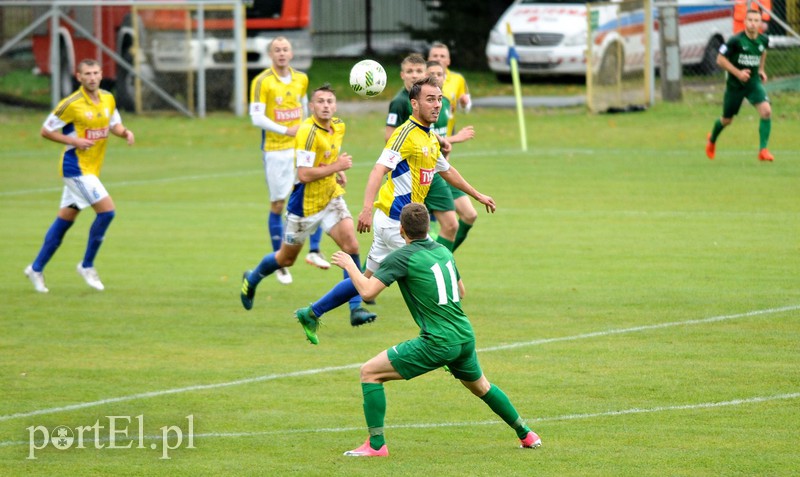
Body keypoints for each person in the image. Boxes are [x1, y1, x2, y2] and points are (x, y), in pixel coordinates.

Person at [294, 77, 495, 344]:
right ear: (414, 103)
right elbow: (379, 169)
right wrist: (366, 208)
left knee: (370, 279)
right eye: (430, 100)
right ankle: (443, 341)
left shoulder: (429, 137)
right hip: (397, 223)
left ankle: (312, 312)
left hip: (397, 221)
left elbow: (446, 171)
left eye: (439, 99)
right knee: (442, 278)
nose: (437, 105)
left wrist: (477, 194)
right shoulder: (404, 134)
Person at [330, 203, 542, 457]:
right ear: (427, 226)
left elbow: (367, 292)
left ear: (401, 229)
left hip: (438, 341)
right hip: (463, 336)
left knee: (369, 373)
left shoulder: (402, 256)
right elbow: (461, 292)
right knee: (482, 387)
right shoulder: (443, 251)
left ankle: (376, 446)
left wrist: (349, 265)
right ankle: (527, 434)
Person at [240, 84, 373, 322]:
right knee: (286, 258)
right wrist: (337, 167)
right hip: (305, 207)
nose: (325, 106)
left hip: (331, 197)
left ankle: (356, 309)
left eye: (330, 101)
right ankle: (252, 278)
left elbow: (326, 157)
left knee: (351, 245)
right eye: (320, 101)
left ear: (335, 105)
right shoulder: (306, 132)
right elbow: (303, 174)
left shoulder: (339, 126)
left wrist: (335, 171)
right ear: (311, 106)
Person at [24, 59, 135, 293]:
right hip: (75, 169)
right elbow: (46, 131)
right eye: (87, 74)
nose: (92, 77)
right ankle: (87, 265)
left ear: (102, 74)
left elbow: (113, 124)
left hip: (92, 169)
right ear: (79, 77)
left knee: (65, 221)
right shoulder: (71, 104)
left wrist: (125, 132)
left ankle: (35, 268)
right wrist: (73, 140)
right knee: (107, 212)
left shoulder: (108, 98)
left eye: (96, 73)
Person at [250, 36, 328, 286]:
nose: (282, 53)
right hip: (275, 150)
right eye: (277, 50)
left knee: (316, 192)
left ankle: (314, 250)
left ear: (291, 53)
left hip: (300, 149)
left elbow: (305, 109)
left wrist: (309, 132)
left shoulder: (301, 79)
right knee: (278, 204)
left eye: (285, 49)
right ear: (271, 55)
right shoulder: (262, 81)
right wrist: (286, 131)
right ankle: (280, 263)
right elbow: (256, 118)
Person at [384, 54, 460, 252]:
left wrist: (440, 140)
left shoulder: (436, 101)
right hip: (411, 174)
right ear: (402, 75)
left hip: (432, 169)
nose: (414, 75)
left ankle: (442, 262)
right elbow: (390, 138)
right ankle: (438, 262)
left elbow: (426, 131)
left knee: (453, 223)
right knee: (397, 248)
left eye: (419, 71)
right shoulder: (401, 102)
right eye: (410, 71)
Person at [705, 9, 774, 162]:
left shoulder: (764, 39)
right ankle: (712, 140)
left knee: (766, 111)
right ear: (744, 22)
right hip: (735, 86)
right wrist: (738, 73)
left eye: (756, 21)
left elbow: (763, 51)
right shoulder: (735, 41)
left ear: (760, 24)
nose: (753, 24)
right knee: (727, 120)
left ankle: (763, 150)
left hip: (753, 84)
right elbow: (719, 59)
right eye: (750, 20)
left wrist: (761, 69)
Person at [426, 60, 478, 251]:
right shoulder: (419, 103)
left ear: (445, 77)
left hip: (442, 169)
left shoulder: (446, 103)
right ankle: (439, 262)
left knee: (469, 215)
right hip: (424, 173)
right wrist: (456, 138)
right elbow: (424, 136)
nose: (436, 77)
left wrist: (448, 146)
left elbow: (442, 137)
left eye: (439, 74)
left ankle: (443, 258)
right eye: (431, 73)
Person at [427, 42, 472, 135]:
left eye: (442, 56)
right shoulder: (422, 78)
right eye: (435, 55)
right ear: (429, 59)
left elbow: (464, 109)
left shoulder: (458, 79)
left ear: (448, 61)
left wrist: (463, 104)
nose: (438, 58)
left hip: (446, 132)